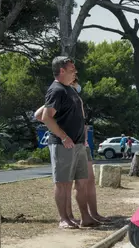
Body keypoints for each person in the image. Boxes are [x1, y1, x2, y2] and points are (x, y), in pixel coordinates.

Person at [35, 78, 110, 224]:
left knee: (87, 180)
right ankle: (68, 217)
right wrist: (61, 131)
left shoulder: (75, 96)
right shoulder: (59, 93)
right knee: (66, 183)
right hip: (67, 142)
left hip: (81, 141)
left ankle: (91, 214)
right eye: (75, 82)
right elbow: (40, 115)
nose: (77, 84)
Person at [41, 56, 99, 229]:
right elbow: (46, 117)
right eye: (72, 69)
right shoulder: (56, 90)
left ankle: (85, 217)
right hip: (63, 145)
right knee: (63, 184)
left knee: (81, 182)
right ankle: (64, 219)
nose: (75, 72)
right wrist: (64, 137)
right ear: (61, 71)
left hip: (79, 144)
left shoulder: (70, 90)